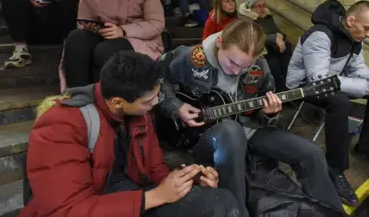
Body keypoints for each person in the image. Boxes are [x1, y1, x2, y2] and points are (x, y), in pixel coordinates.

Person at [158, 18, 345, 217]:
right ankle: (237, 212)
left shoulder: (260, 67)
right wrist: (176, 107)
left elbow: (260, 109)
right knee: (231, 129)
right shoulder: (191, 58)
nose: (236, 71)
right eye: (232, 62)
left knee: (311, 153)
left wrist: (269, 112)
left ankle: (334, 214)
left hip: (248, 129)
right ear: (220, 42)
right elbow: (158, 80)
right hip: (202, 137)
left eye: (245, 66)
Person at [20, 51, 240, 217]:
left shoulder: (137, 113)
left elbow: (156, 170)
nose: (155, 104)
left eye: (156, 96)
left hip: (130, 198)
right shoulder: (61, 126)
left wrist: (187, 180)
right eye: (148, 101)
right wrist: (154, 197)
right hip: (95, 207)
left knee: (219, 200)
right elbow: (67, 210)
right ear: (118, 102)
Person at [286, 0, 369, 206]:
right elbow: (318, 80)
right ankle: (335, 169)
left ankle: (366, 146)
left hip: (330, 82)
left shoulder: (355, 40)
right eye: (368, 28)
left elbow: (358, 70)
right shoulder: (320, 35)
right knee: (339, 102)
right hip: (303, 85)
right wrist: (367, 87)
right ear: (350, 20)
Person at [59, 0, 165, 92]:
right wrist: (90, 27)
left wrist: (122, 31)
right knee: (76, 39)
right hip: (104, 35)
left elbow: (156, 23)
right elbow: (84, 20)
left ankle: (105, 102)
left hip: (139, 37)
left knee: (105, 51)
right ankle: (79, 97)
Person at [239, 0, 292, 92]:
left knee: (286, 61)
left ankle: (288, 88)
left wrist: (280, 37)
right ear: (251, 7)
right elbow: (255, 36)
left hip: (272, 47)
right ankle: (279, 91)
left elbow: (276, 31)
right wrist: (275, 38)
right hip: (258, 50)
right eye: (259, 6)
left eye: (263, 5)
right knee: (274, 63)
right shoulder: (246, 19)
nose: (262, 8)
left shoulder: (266, 17)